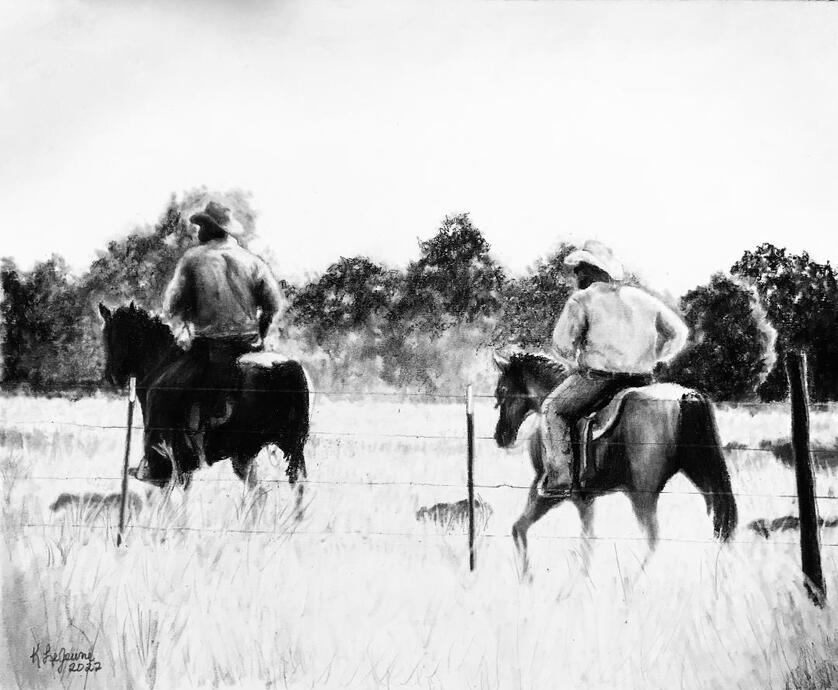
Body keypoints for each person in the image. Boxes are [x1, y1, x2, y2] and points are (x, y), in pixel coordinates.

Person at [141, 200, 282, 477]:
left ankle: (157, 468)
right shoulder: (253, 261)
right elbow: (273, 306)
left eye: (200, 226)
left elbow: (171, 305)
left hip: (210, 348)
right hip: (248, 347)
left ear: (208, 228)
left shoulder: (193, 259)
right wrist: (261, 336)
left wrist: (186, 323)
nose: (197, 232)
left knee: (157, 393)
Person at [538, 240, 688, 498]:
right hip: (642, 381)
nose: (576, 274)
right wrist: (658, 358)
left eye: (581, 268)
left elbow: (561, 345)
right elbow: (680, 333)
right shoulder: (643, 299)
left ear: (593, 270)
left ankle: (560, 480)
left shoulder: (581, 300)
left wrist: (577, 360)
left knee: (553, 409)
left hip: (598, 379)